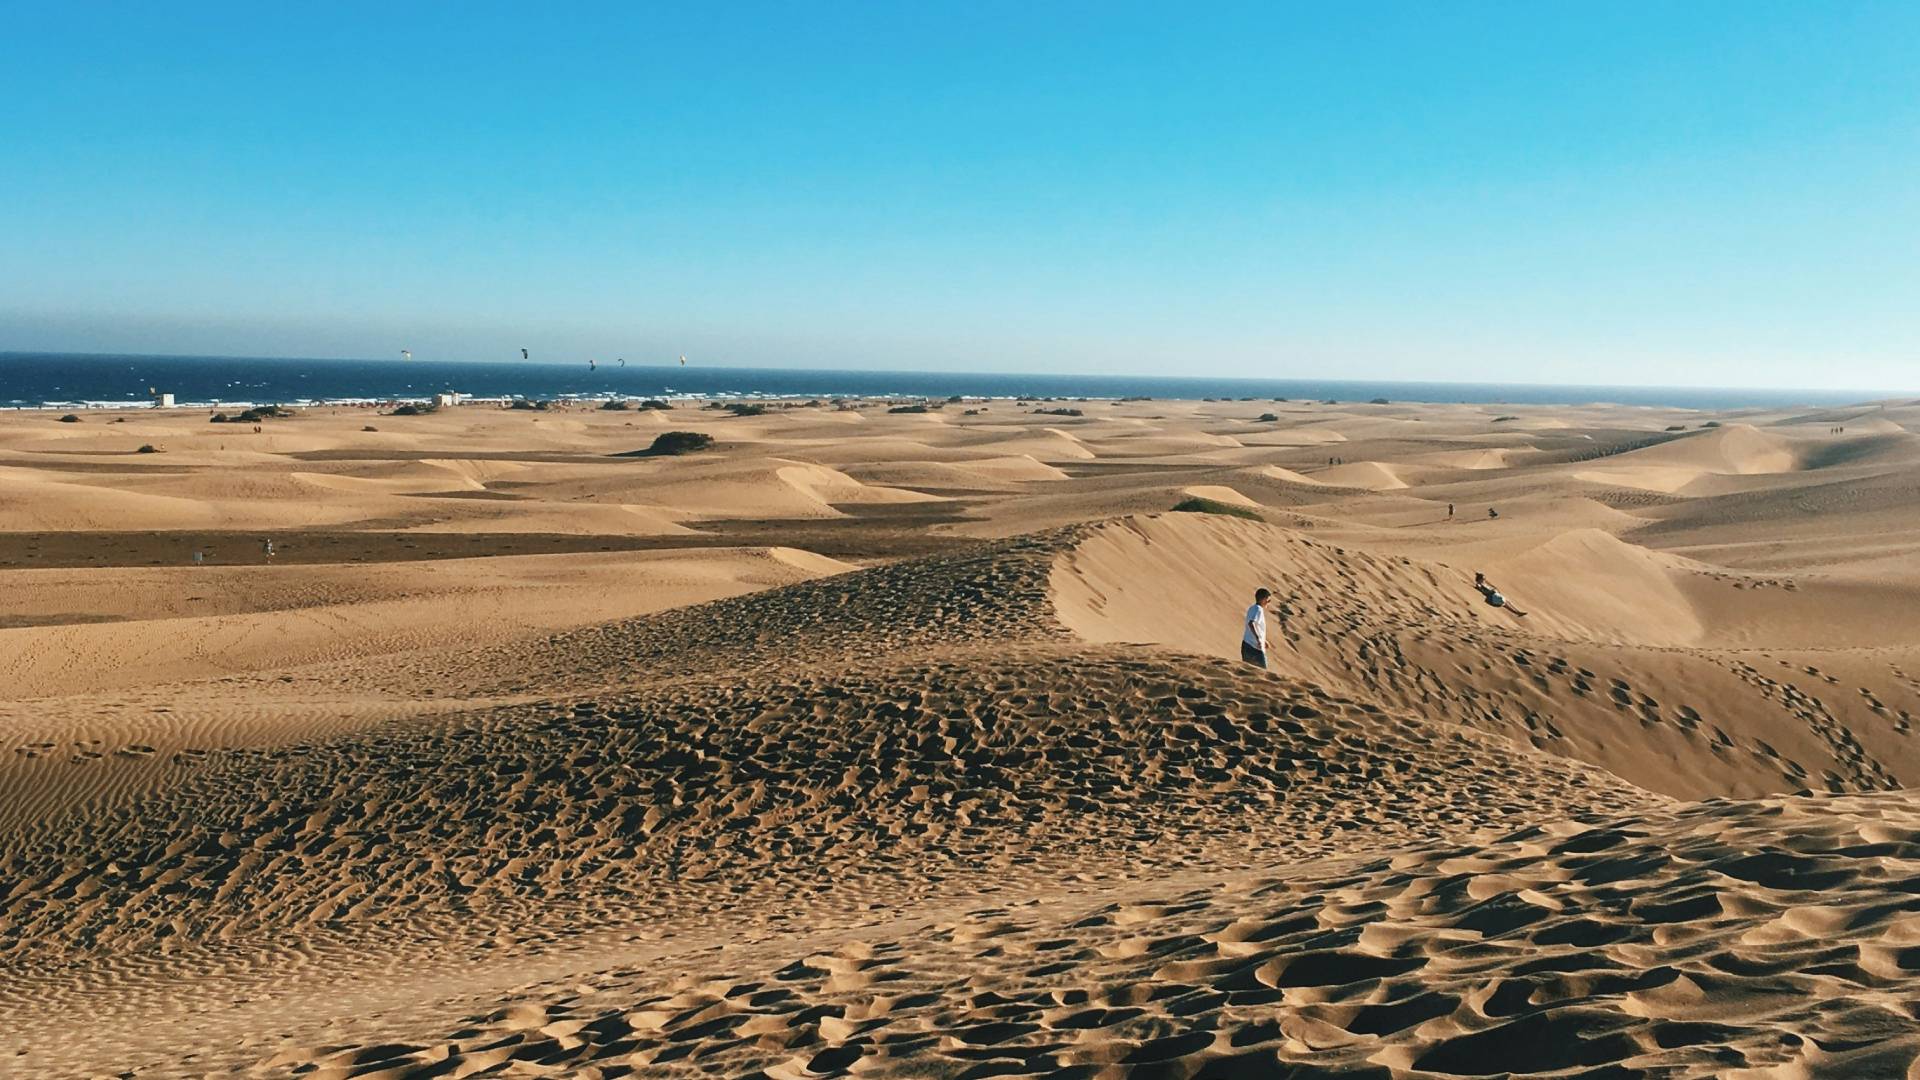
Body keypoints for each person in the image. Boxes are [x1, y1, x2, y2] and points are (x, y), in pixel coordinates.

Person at [1242, 588, 1272, 668]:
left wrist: (1263, 640)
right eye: (1268, 600)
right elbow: (1251, 623)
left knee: (1249, 671)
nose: (1268, 603)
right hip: (1254, 647)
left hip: (1247, 645)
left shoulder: (1252, 608)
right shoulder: (1258, 609)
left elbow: (1255, 626)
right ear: (1263, 599)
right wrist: (1258, 639)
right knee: (1262, 673)